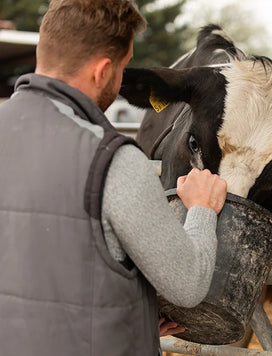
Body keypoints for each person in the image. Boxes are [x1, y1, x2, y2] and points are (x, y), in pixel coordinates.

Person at [0, 1, 227, 355]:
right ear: (103, 71)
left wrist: (131, 320)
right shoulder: (112, 161)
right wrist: (202, 209)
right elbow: (188, 285)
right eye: (122, 67)